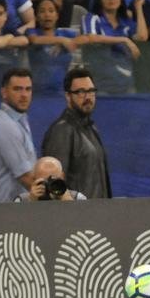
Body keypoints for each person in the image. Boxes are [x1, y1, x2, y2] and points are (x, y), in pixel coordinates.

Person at [39, 67, 111, 199]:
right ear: (68, 96)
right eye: (81, 92)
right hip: (77, 211)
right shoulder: (61, 131)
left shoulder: (91, 127)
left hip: (99, 209)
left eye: (91, 91)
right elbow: (54, 187)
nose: (88, 97)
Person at [0, 67, 36, 203]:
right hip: (6, 212)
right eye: (17, 89)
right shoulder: (4, 125)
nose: (24, 95)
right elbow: (27, 178)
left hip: (16, 209)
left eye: (28, 89)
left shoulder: (19, 121)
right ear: (4, 93)